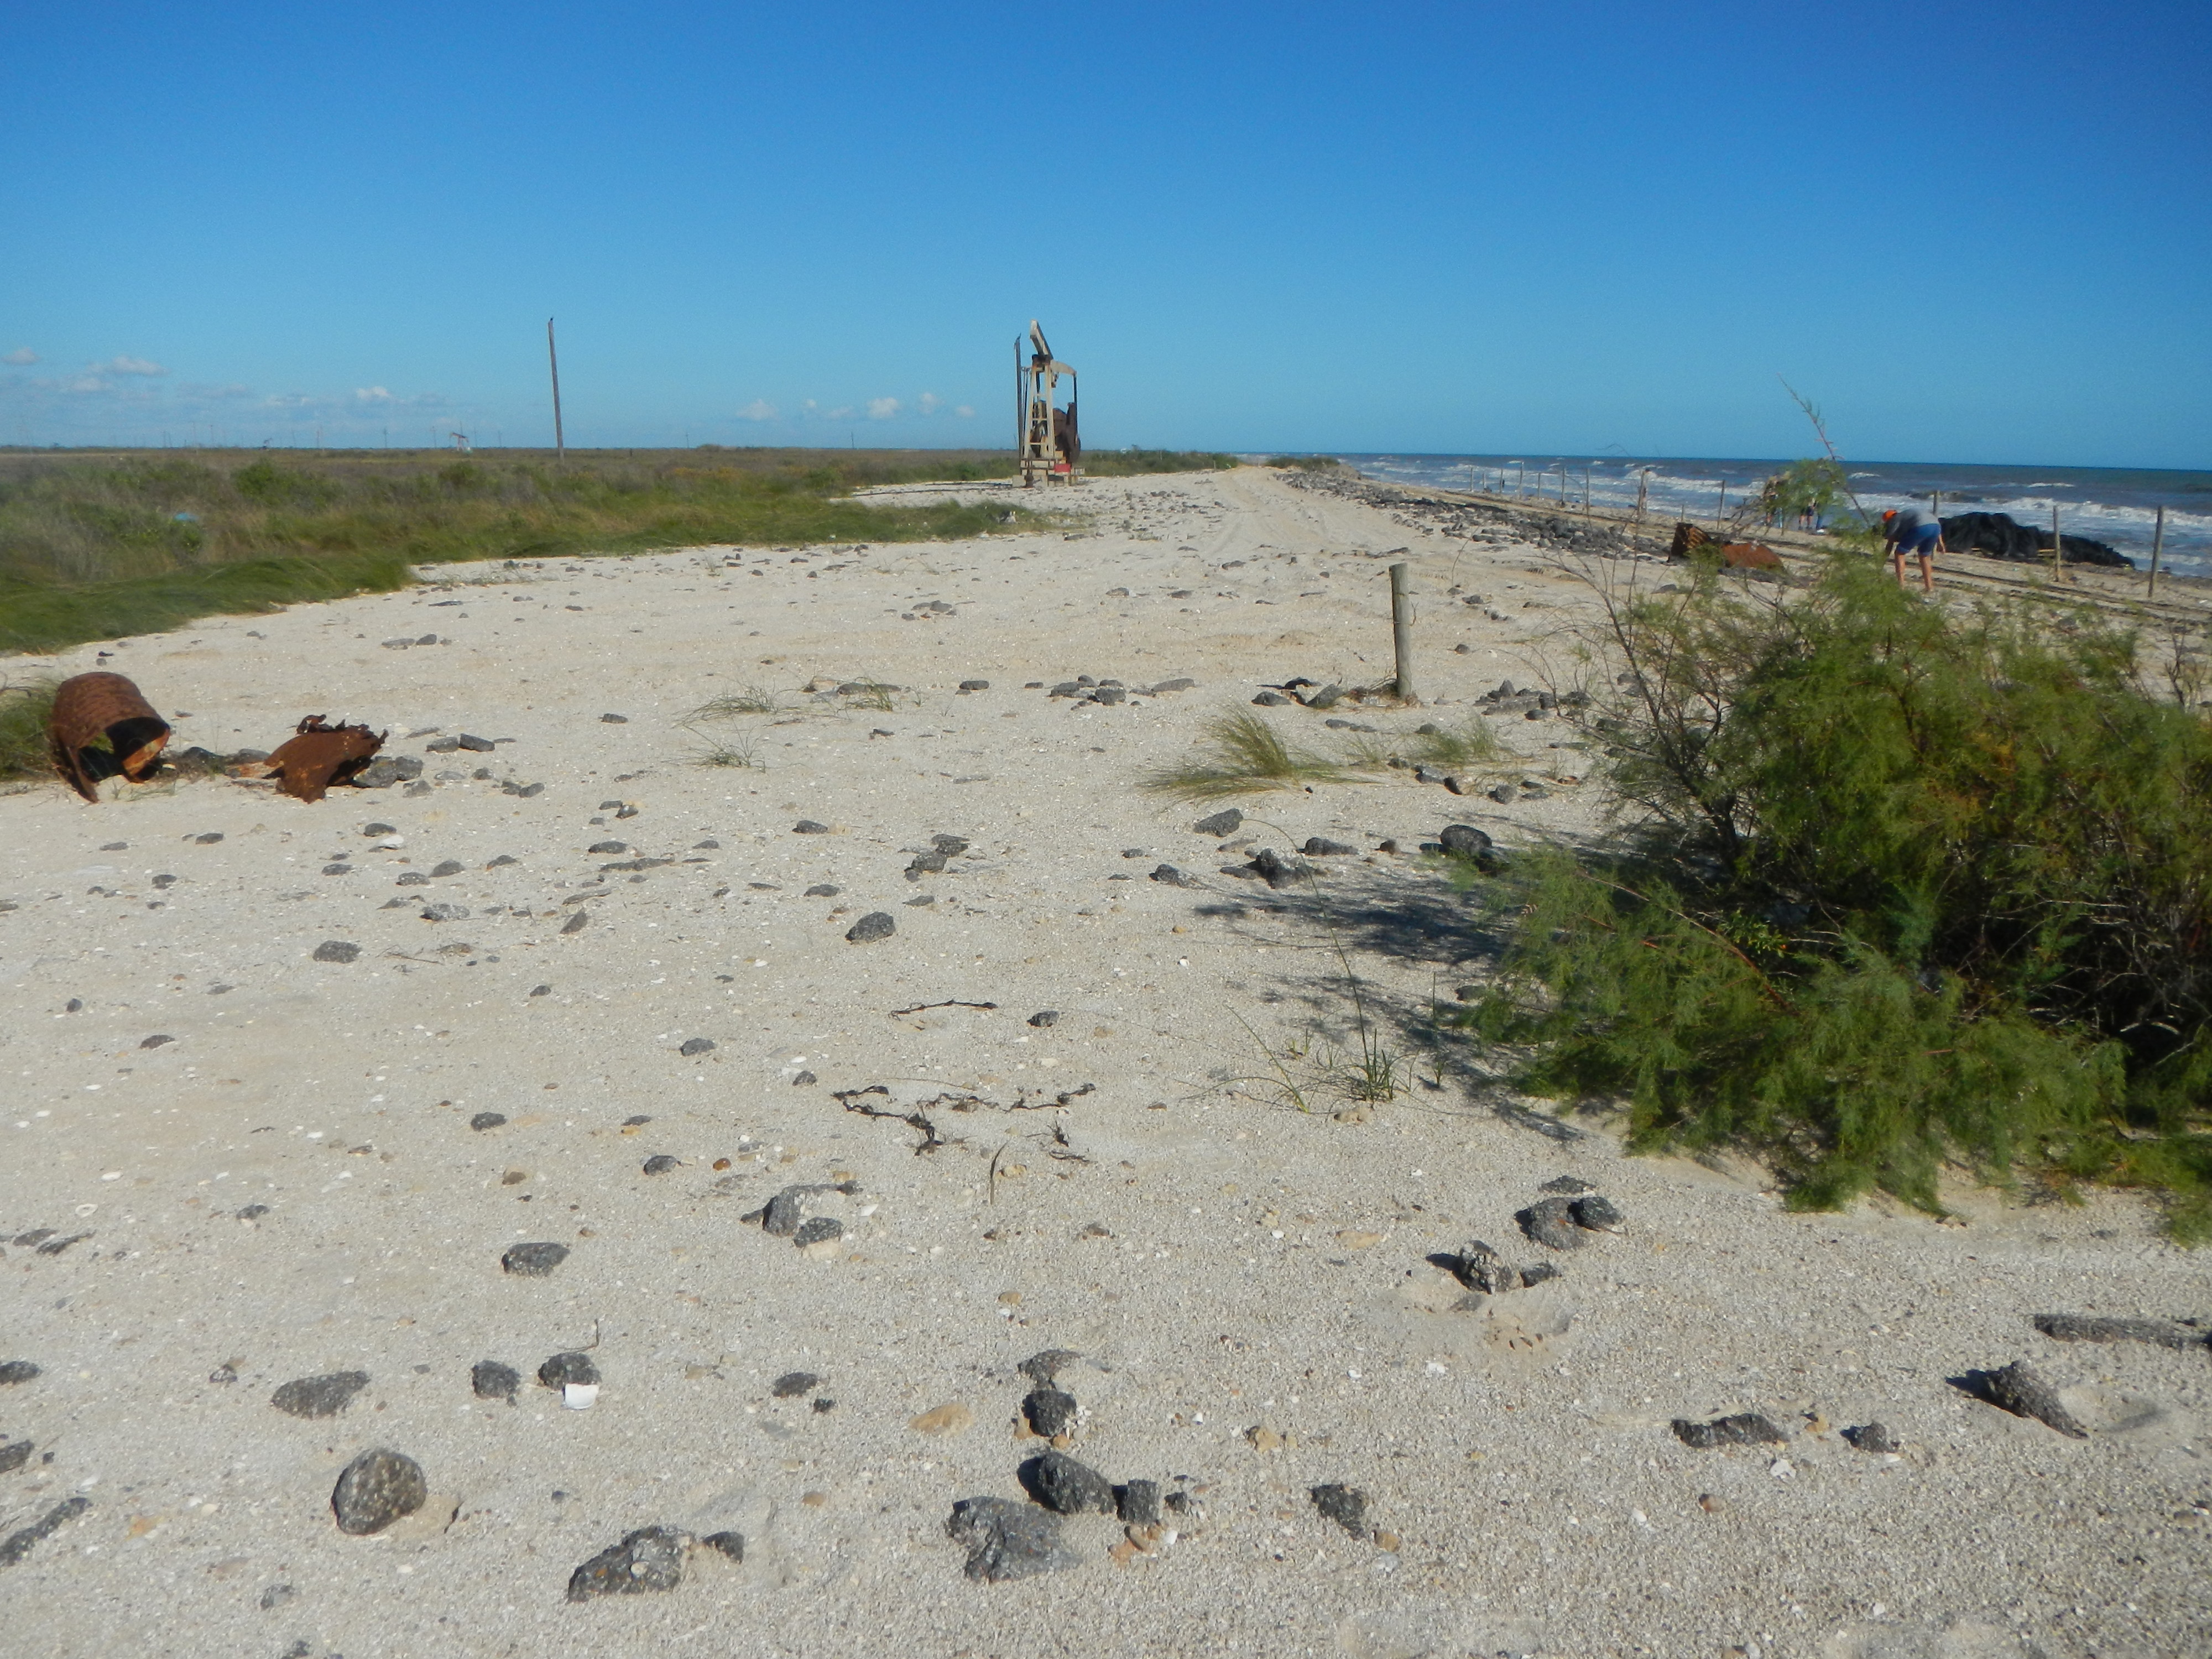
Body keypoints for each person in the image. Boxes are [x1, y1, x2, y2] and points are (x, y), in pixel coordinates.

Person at [1882, 504, 1944, 593]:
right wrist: (1940, 542)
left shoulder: (1895, 519)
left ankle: (1901, 585)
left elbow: (1890, 542)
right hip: (1936, 527)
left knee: (1900, 553)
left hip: (1921, 527)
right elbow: (1933, 523)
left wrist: (1882, 559)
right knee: (1925, 556)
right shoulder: (1907, 515)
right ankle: (1929, 588)